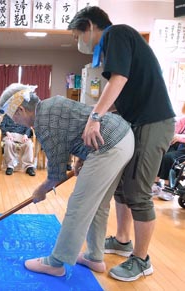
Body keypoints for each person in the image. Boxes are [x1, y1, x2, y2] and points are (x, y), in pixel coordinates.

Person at [68, 6, 175, 281]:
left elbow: (119, 79)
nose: (79, 40)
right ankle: (123, 241)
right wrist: (98, 116)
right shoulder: (114, 45)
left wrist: (95, 117)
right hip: (135, 123)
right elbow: (118, 95)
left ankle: (141, 260)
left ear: (90, 26)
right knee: (121, 188)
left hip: (153, 122)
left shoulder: (117, 34)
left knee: (138, 191)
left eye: (79, 34)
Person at [0, 83, 134, 277]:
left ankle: (55, 263)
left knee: (79, 204)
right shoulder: (51, 104)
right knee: (98, 204)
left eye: (14, 117)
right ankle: (94, 257)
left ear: (21, 110)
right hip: (123, 137)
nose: (16, 122)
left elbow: (57, 173)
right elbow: (78, 125)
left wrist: (41, 190)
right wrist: (82, 158)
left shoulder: (43, 123)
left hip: (108, 146)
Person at [152, 116, 185, 201]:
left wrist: (180, 137)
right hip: (177, 145)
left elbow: (178, 136)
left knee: (169, 158)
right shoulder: (183, 120)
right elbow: (173, 131)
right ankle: (156, 183)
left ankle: (168, 187)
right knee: (160, 153)